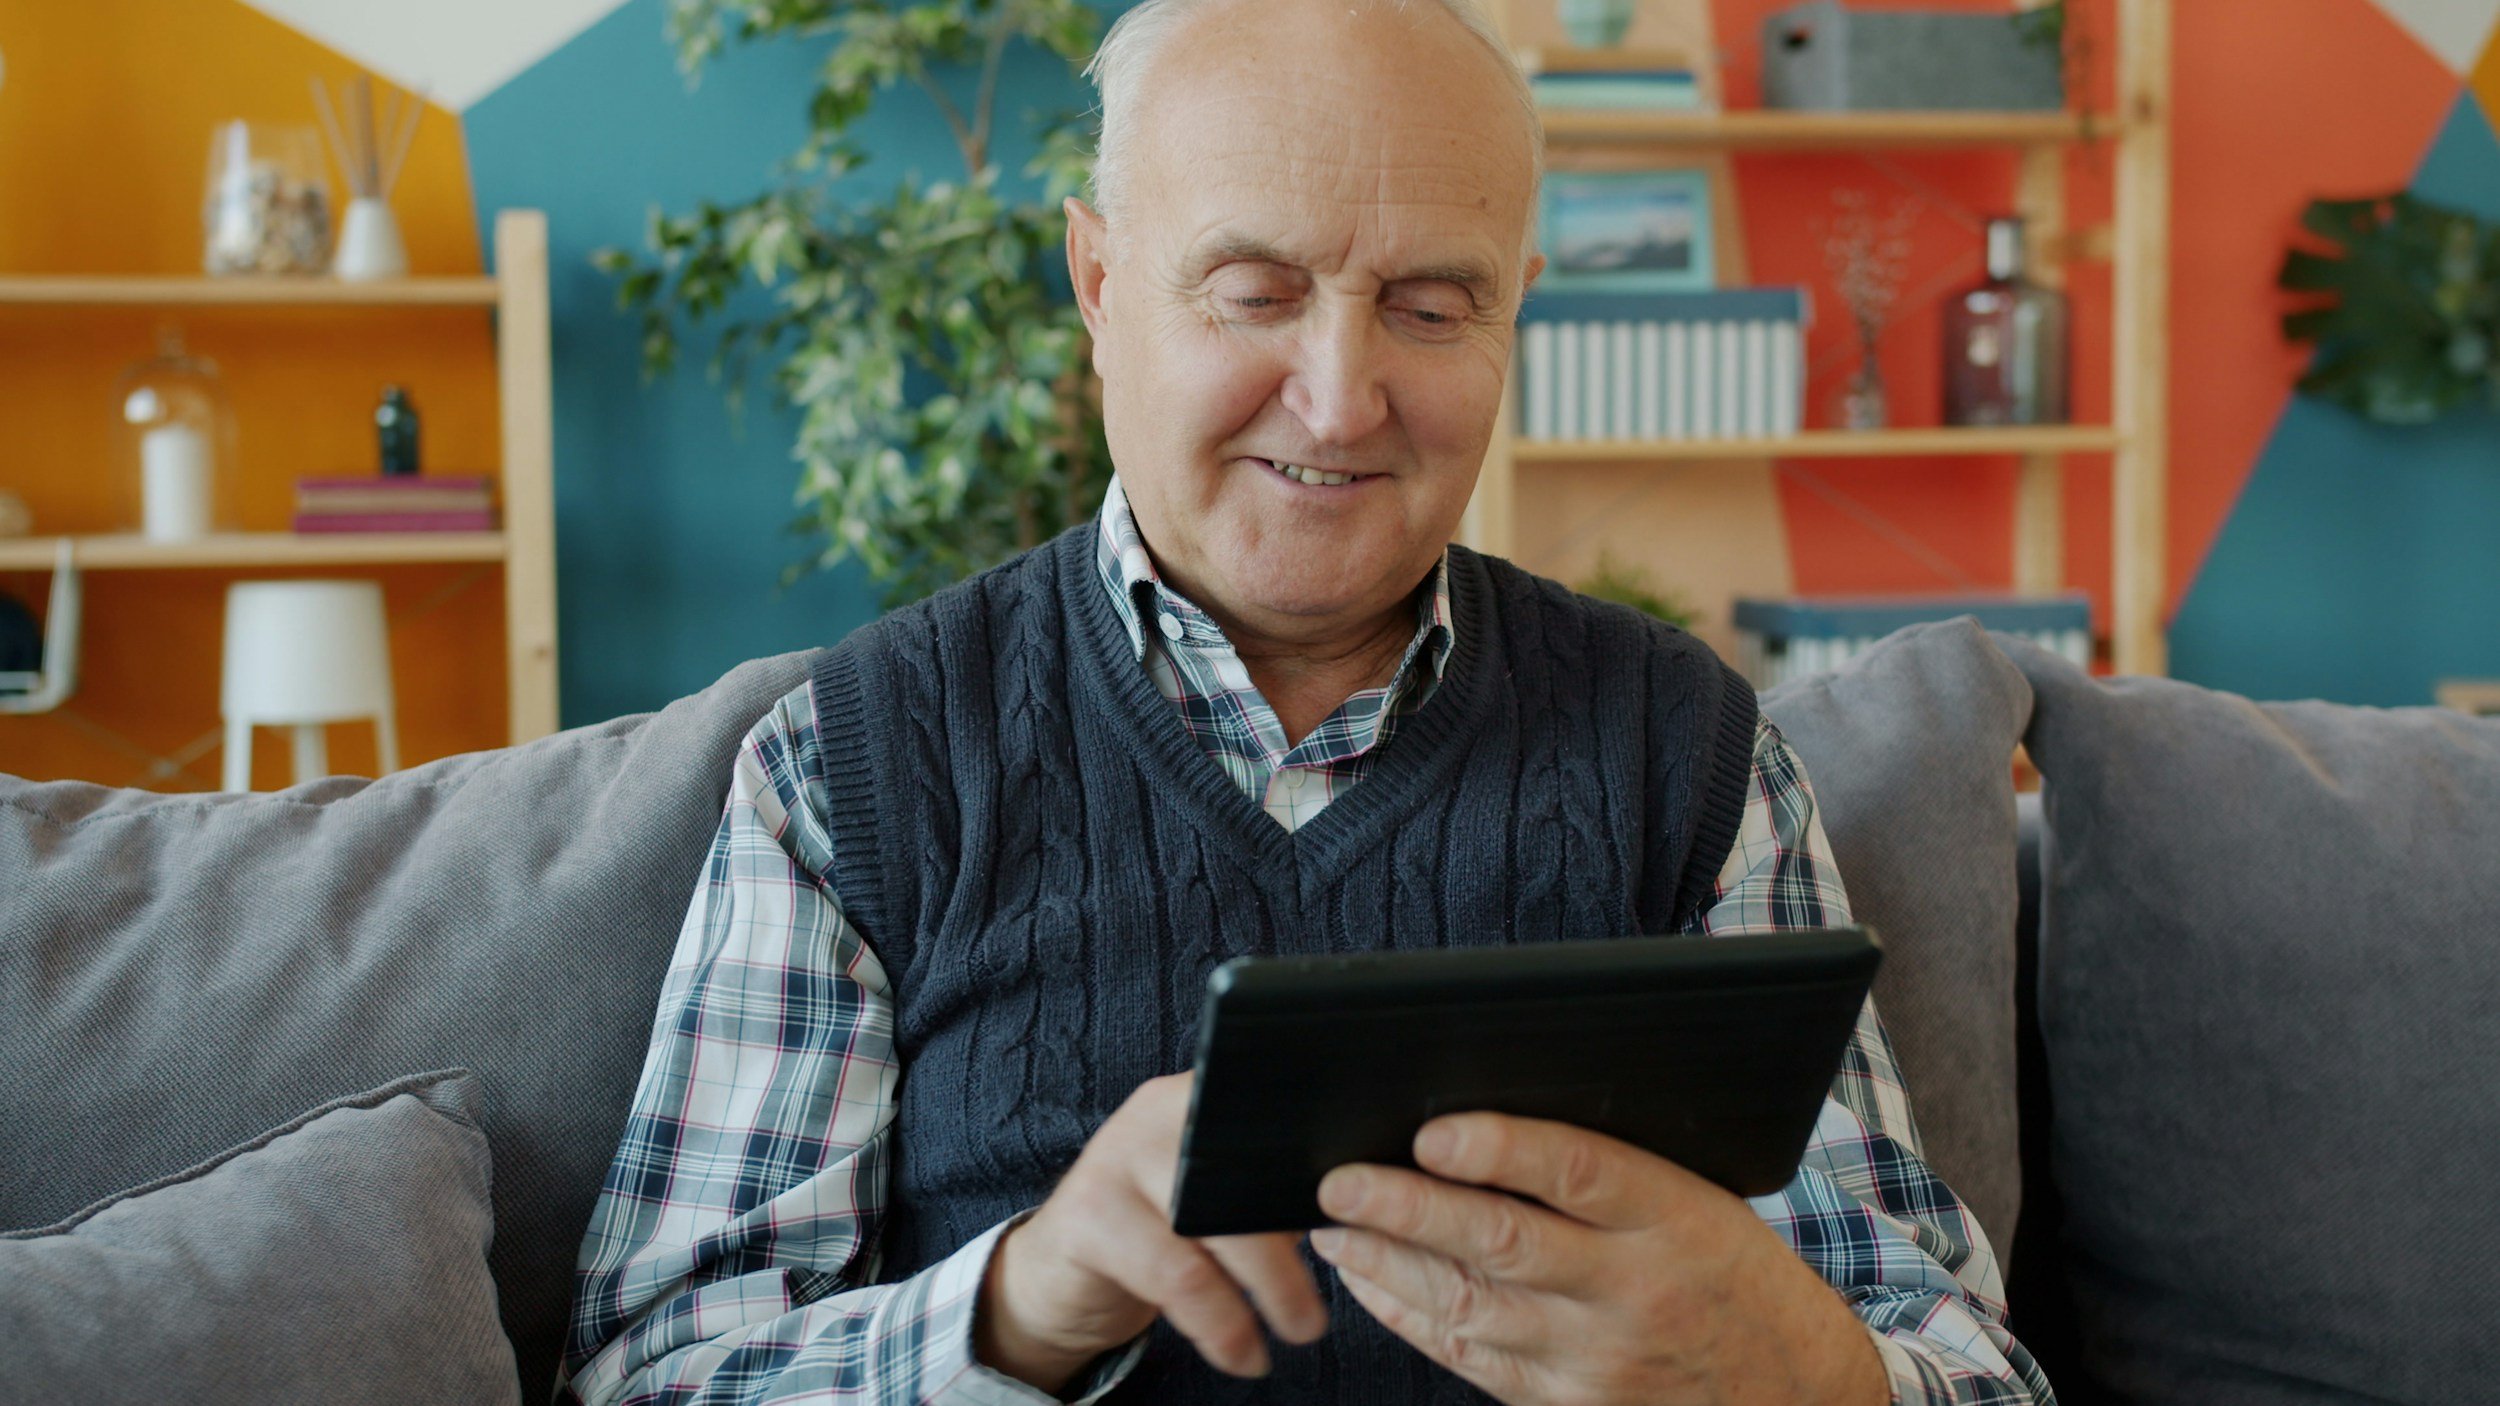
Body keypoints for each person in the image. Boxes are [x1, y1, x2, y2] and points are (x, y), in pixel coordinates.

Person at [560, 0, 2053, 1401]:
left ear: (1513, 314)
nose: (1341, 398)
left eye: (1428, 305)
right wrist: (1017, 1304)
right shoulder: (857, 763)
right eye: (1257, 291)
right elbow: (654, 1371)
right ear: (1096, 282)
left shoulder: (1698, 762)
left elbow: (1974, 1370)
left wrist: (1806, 1368)